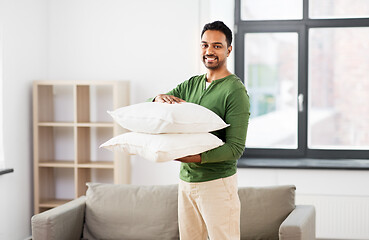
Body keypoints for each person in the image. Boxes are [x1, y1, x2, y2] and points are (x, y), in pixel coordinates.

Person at [151, 21, 250, 240]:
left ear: (229, 49)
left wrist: (191, 157)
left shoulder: (235, 90)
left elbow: (235, 148)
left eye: (217, 46)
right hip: (186, 182)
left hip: (217, 183)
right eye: (205, 45)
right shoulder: (191, 85)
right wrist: (157, 98)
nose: (209, 51)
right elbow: (152, 108)